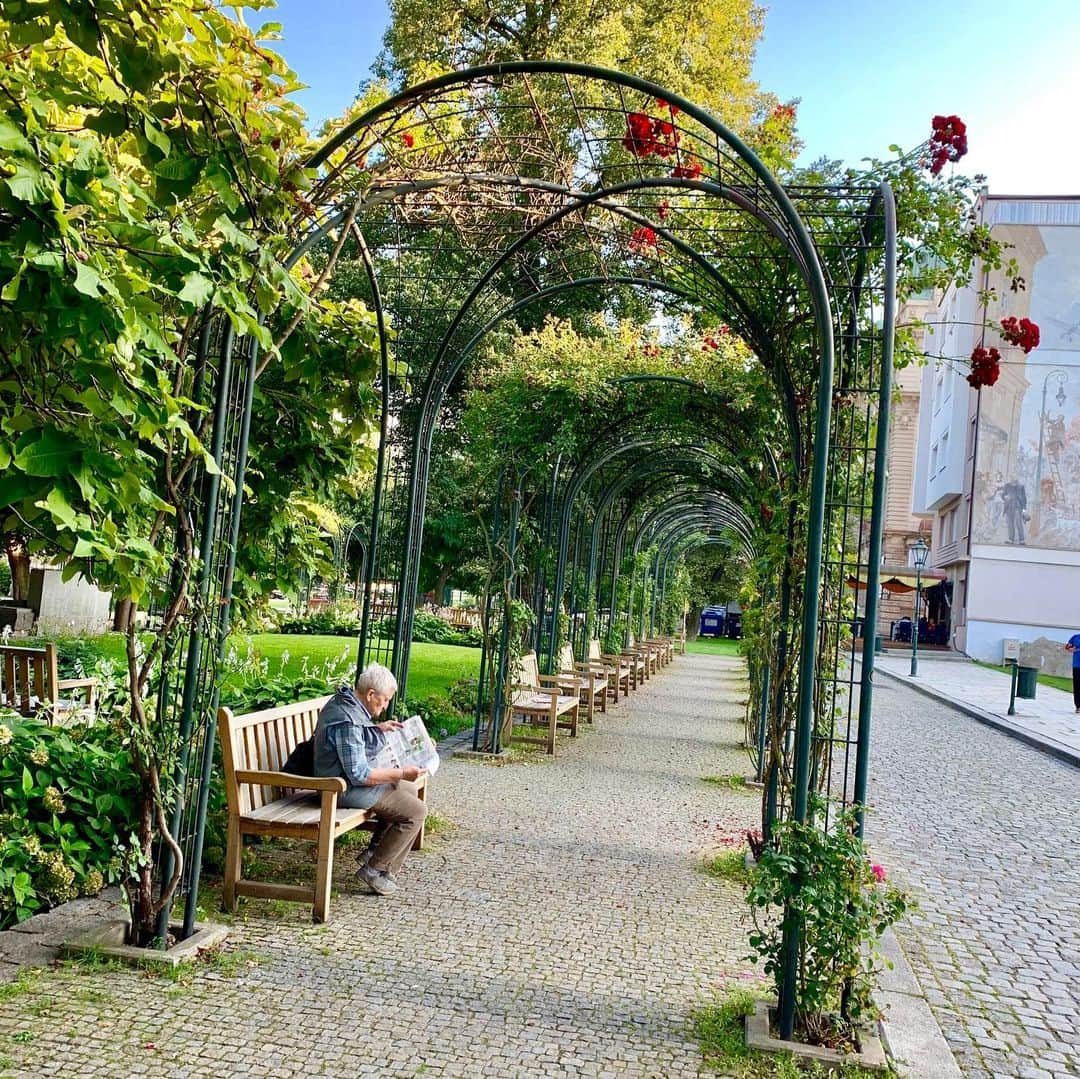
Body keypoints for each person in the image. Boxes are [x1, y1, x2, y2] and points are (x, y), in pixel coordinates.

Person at [313, 662, 427, 896]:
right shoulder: (346, 719)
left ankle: (375, 852)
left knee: (408, 789)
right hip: (337, 787)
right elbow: (359, 774)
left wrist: (379, 729)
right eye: (384, 700)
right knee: (416, 812)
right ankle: (374, 870)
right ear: (371, 694)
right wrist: (401, 772)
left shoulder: (349, 704)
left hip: (342, 779)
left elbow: (358, 739)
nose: (385, 706)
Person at [1065, 632, 1080, 714]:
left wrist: (1077, 649)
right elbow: (1067, 647)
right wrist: (1071, 649)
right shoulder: (1075, 637)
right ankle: (1078, 706)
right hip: (1077, 665)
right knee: (1077, 686)